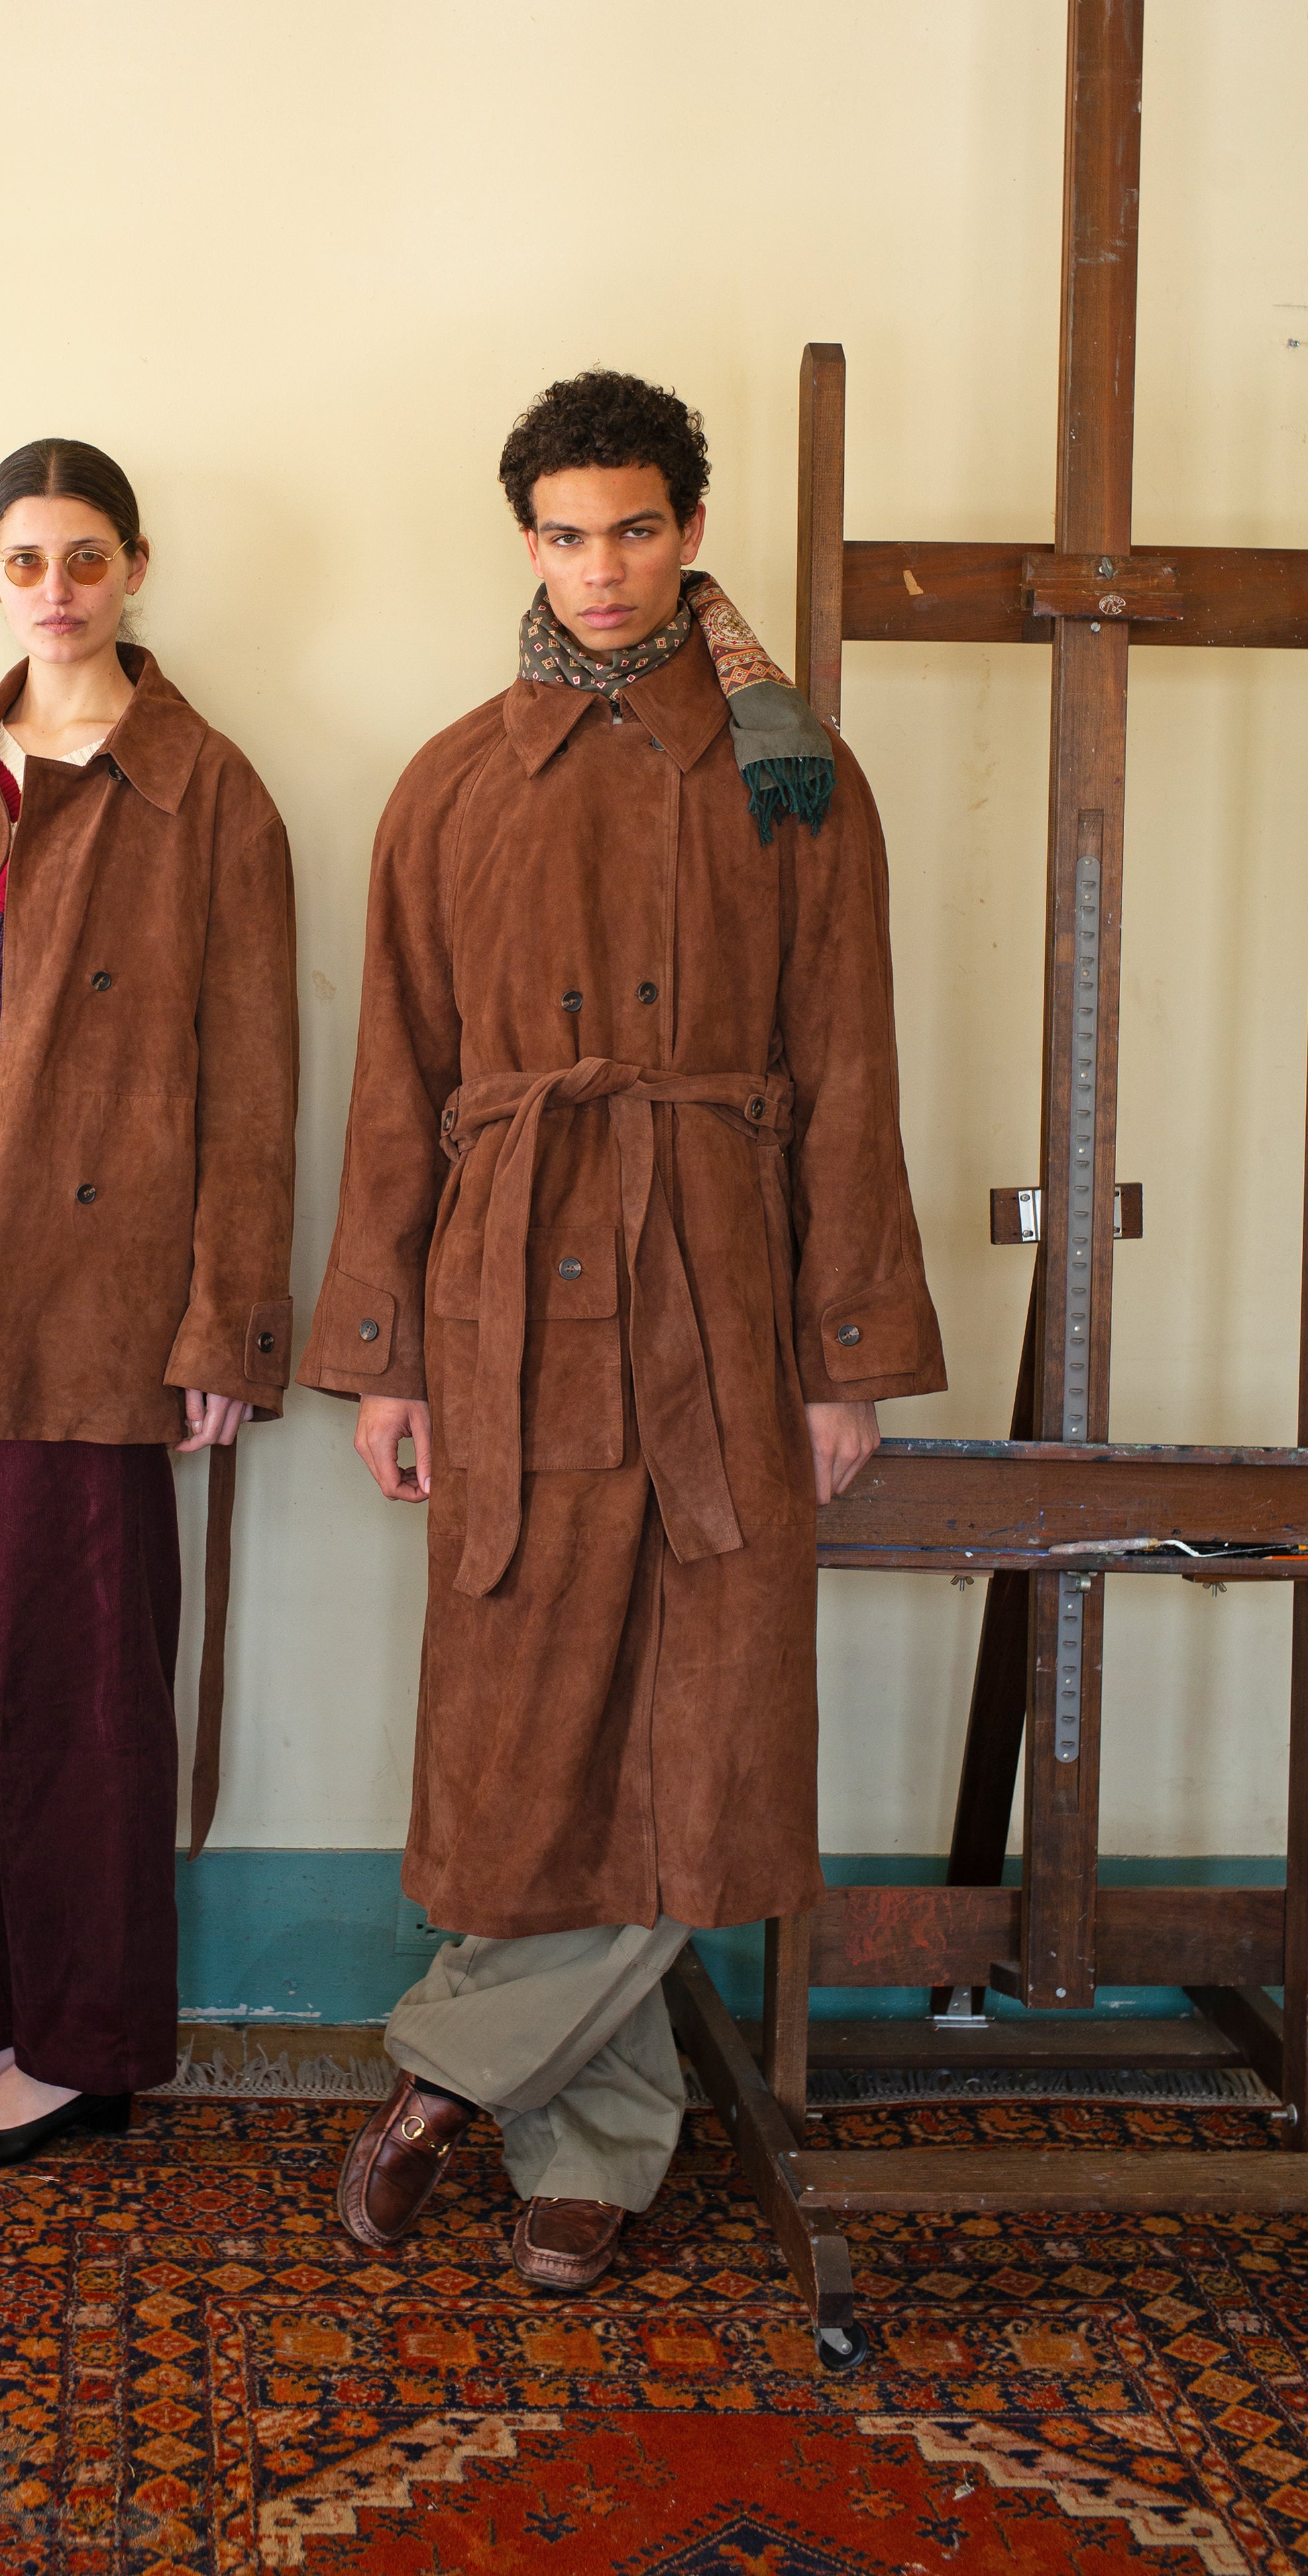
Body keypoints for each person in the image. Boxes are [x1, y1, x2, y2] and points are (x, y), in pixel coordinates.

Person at [300, 370, 943, 2290]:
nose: (602, 568)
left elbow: (850, 1066)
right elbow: (397, 1085)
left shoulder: (790, 772)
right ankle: (569, 2115)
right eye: (568, 534)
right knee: (529, 1732)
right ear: (526, 543)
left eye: (637, 529)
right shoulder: (446, 784)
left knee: (702, 1723)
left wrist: (844, 1352)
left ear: (688, 532)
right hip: (506, 1298)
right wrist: (390, 1353)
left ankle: (464, 2092)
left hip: (722, 1294)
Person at [0, 438, 297, 2172]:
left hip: (104, 1269)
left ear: (136, 565)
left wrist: (227, 1327)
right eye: (25, 558)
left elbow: (254, 1081)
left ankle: (85, 2049)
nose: (57, 586)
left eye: (86, 554)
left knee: (82, 1666)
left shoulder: (208, 791)